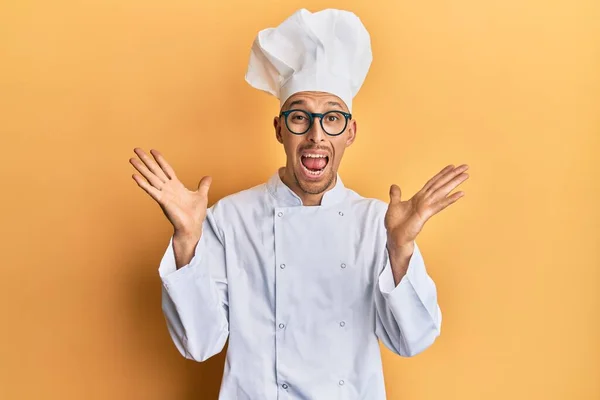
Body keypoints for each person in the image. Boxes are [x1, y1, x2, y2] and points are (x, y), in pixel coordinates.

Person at [130, 8, 469, 400]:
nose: (316, 135)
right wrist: (188, 240)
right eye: (300, 118)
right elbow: (199, 344)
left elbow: (412, 341)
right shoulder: (231, 219)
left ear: (350, 132)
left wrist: (401, 251)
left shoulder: (381, 225)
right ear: (279, 128)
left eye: (332, 119)